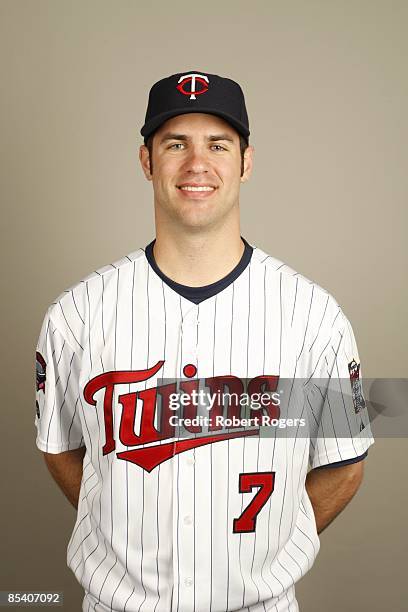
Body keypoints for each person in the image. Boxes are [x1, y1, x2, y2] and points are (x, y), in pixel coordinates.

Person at [34, 70, 374, 612]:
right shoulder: (76, 314)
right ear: (147, 161)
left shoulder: (315, 316)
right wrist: (126, 526)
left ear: (246, 161)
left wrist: (270, 547)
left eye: (218, 144)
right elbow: (61, 450)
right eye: (175, 144)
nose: (197, 164)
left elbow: (344, 464)